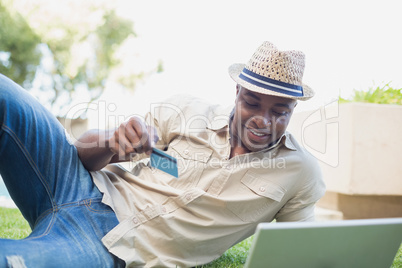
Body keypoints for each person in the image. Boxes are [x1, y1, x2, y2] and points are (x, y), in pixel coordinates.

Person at [0, 41, 325, 267]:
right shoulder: (185, 109)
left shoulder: (299, 171)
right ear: (237, 91)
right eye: (252, 102)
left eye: (280, 111)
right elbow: (82, 155)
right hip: (73, 182)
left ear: (294, 109)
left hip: (108, 244)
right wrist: (115, 141)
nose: (262, 120)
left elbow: (300, 250)